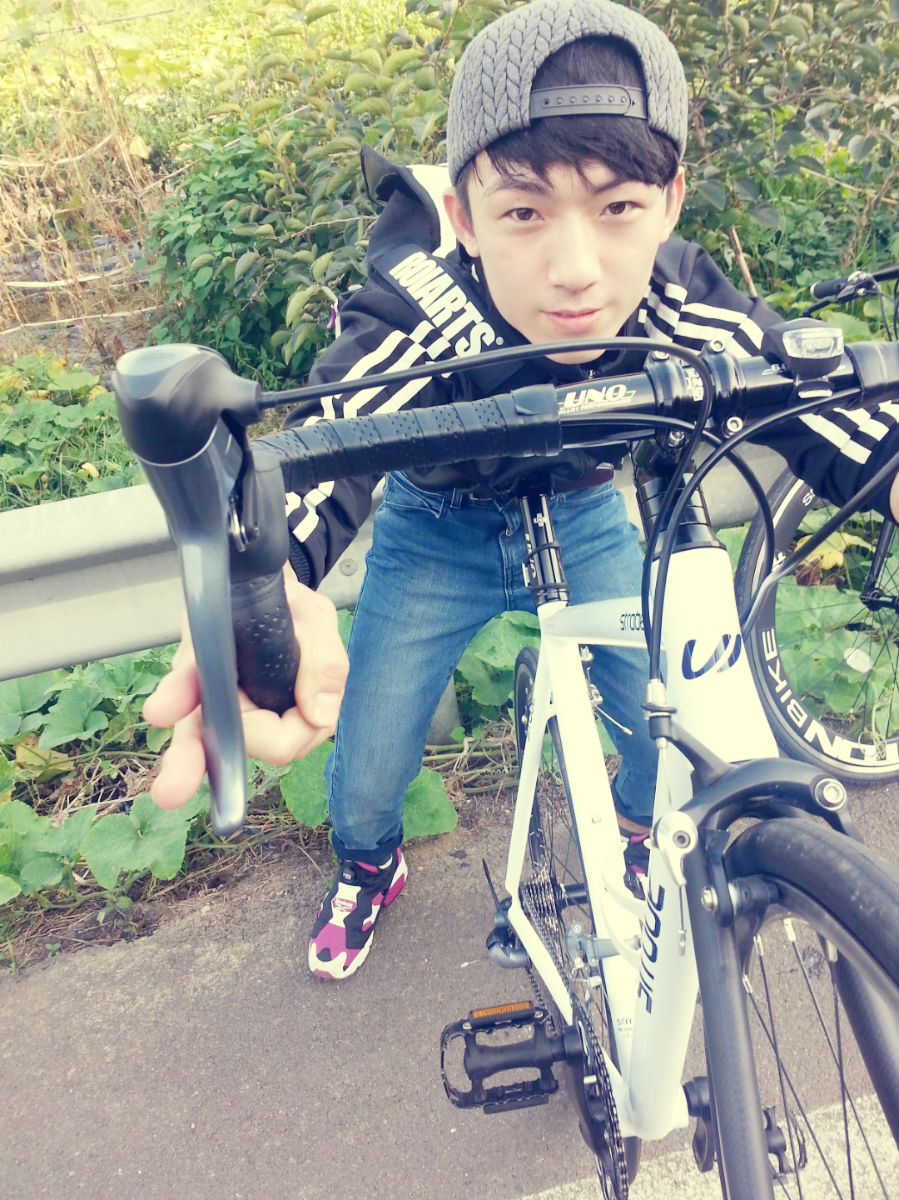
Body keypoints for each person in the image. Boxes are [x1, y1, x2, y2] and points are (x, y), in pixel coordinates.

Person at [143, 0, 899, 981]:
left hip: (586, 515)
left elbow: (820, 405)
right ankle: (368, 865)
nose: (576, 272)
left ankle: (638, 833)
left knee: (666, 723)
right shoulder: (426, 308)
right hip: (434, 533)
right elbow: (325, 442)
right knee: (369, 760)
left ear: (670, 201)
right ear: (463, 216)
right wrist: (260, 589)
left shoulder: (677, 299)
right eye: (523, 212)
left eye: (617, 208)